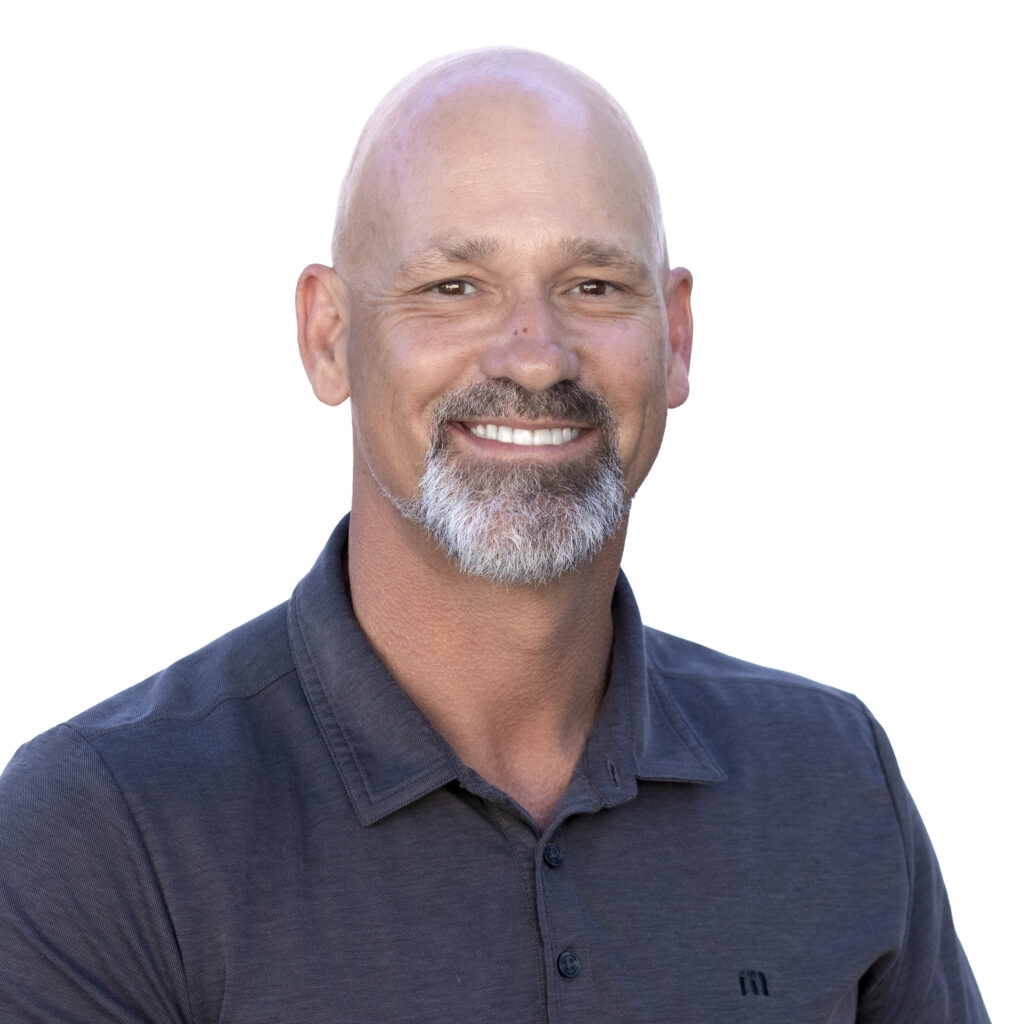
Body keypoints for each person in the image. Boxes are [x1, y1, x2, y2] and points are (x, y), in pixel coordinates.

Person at [0, 47, 988, 1022]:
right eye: (454, 286)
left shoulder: (830, 778)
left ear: (676, 338)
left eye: (593, 285)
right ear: (329, 336)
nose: (535, 356)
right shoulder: (108, 828)